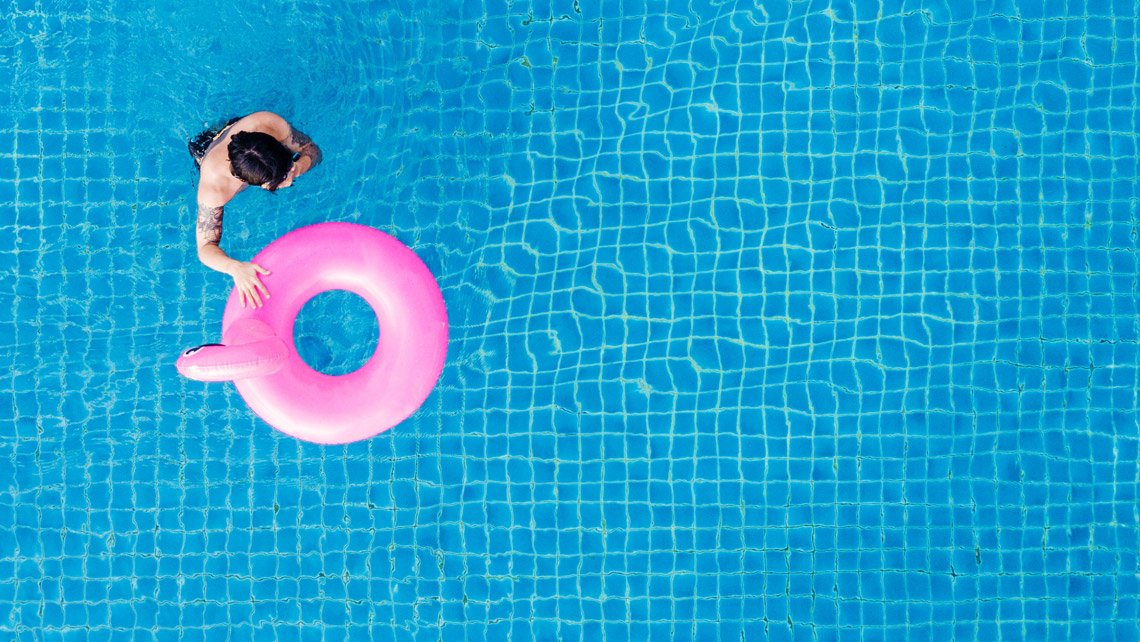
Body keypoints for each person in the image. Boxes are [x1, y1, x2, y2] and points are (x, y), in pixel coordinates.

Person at [188, 111, 323, 308]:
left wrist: (298, 167)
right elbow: (205, 247)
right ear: (256, 184)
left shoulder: (267, 122)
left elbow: (313, 150)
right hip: (205, 150)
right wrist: (234, 267)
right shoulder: (214, 188)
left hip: (239, 134)